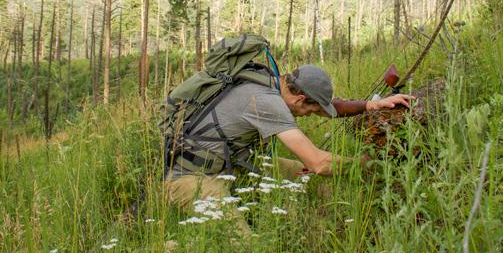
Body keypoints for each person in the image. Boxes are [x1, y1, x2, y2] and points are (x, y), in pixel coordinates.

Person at [165, 64, 414, 216]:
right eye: (310, 111)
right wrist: (365, 166)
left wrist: (371, 105)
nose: (310, 115)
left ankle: (324, 213)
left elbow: (329, 107)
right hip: (193, 179)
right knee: (243, 249)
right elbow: (319, 163)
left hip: (232, 167)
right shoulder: (266, 102)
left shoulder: (272, 84)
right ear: (300, 99)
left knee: (303, 176)